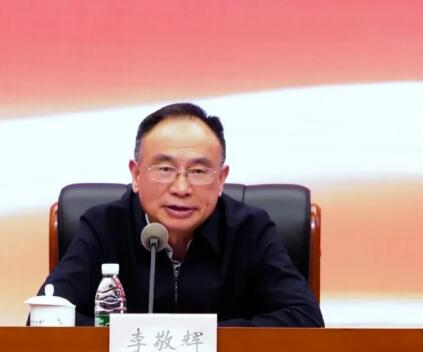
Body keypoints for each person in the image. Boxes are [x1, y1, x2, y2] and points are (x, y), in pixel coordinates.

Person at [36, 103, 324, 327]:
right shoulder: (104, 226)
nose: (181, 188)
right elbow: (45, 319)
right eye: (165, 169)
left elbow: (305, 319)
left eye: (198, 171)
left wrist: (197, 340)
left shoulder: (250, 229)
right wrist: (133, 341)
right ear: (136, 175)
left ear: (221, 179)